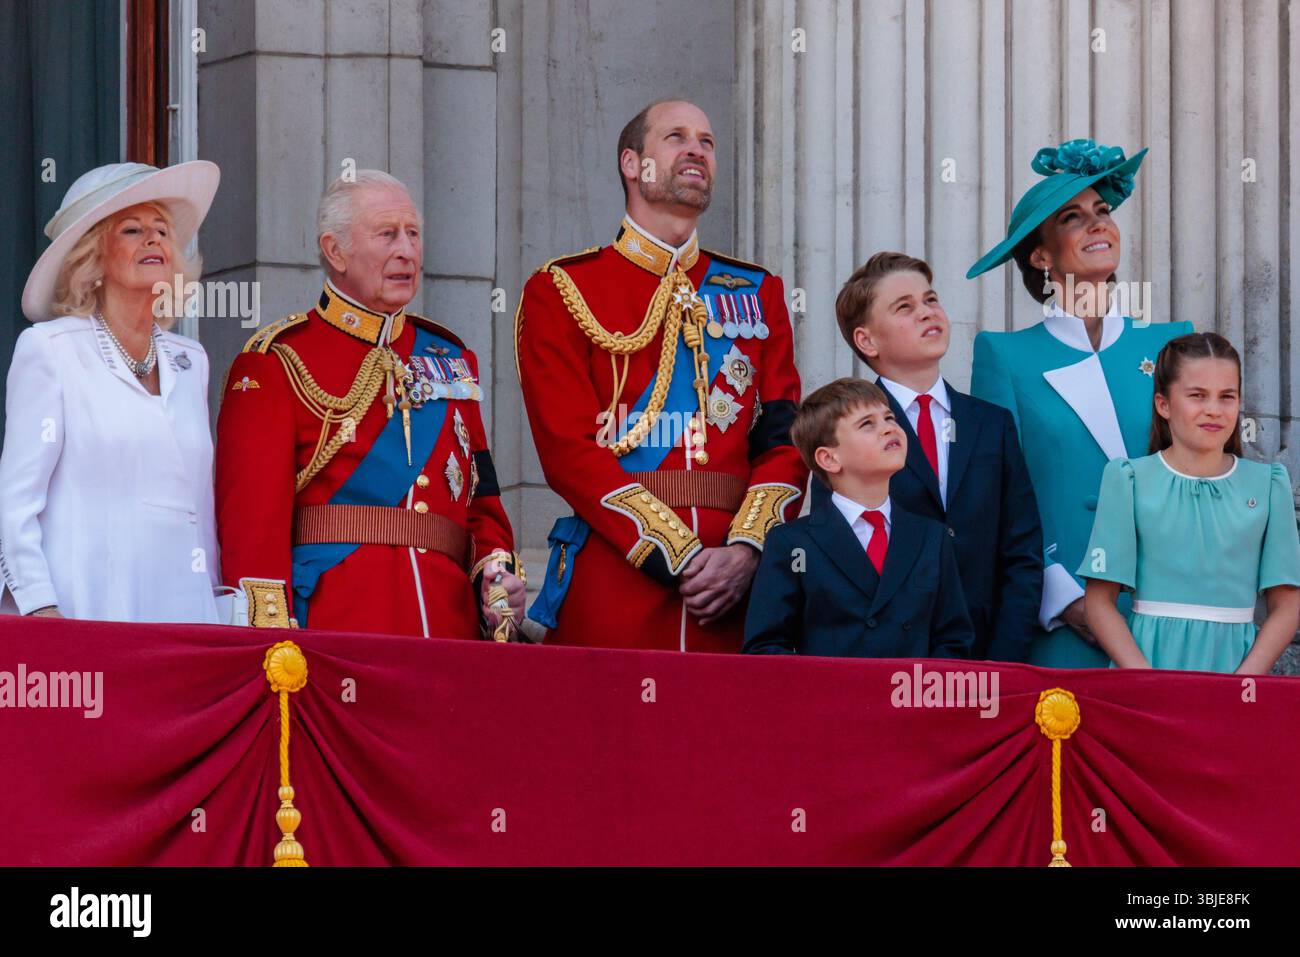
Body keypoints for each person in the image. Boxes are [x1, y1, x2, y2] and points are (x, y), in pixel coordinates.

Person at [515, 98, 807, 652]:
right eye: (676, 136)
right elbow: (568, 451)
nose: (697, 149)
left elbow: (785, 440)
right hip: (617, 579)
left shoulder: (759, 291)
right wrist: (681, 555)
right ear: (632, 163)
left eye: (707, 141)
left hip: (736, 589)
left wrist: (746, 551)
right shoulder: (561, 289)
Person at [214, 170, 524, 638]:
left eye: (413, 234)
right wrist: (273, 649)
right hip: (337, 633)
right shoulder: (276, 363)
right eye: (387, 235)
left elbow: (481, 504)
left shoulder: (452, 360)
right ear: (335, 251)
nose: (407, 251)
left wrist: (494, 576)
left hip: (449, 633)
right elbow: (250, 535)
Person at [967, 138, 1193, 668]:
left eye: (1103, 210)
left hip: (1170, 609)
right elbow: (998, 494)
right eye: (1073, 217)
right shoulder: (1004, 356)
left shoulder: (1173, 342)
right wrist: (1063, 599)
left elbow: (1209, 473)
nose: (1097, 224)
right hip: (1064, 621)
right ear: (1040, 255)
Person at [0, 161, 222, 623]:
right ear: (93, 256)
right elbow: (15, 502)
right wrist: (39, 606)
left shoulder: (191, 360)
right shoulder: (51, 350)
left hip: (186, 620)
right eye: (132, 229)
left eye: (162, 229)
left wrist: (215, 610)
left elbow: (200, 507)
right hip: (85, 613)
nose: (154, 239)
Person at [812, 251, 1042, 660]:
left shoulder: (992, 424)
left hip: (989, 660)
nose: (926, 312)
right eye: (905, 307)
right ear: (867, 340)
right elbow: (838, 562)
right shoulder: (843, 436)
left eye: (931, 300)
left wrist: (1005, 660)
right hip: (887, 666)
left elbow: (1021, 552)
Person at [1078, 333, 1300, 673]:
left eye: (1227, 397)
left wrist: (1243, 681)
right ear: (1163, 404)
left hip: (1235, 672)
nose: (1213, 409)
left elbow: (1287, 604)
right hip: (1147, 669)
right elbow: (1098, 600)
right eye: (1197, 396)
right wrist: (1144, 677)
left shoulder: (1269, 485)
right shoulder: (1129, 480)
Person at [743, 378, 974, 657]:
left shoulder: (932, 538)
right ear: (829, 459)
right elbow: (766, 646)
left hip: (910, 698)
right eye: (867, 424)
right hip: (832, 698)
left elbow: (954, 640)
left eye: (890, 417)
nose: (889, 427)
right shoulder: (793, 544)